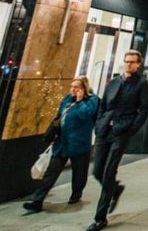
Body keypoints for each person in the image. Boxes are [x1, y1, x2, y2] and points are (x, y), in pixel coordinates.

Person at [87, 50, 148, 231]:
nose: (129, 64)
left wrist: (131, 128)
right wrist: (99, 124)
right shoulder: (114, 82)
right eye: (126, 61)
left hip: (121, 131)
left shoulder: (141, 84)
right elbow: (103, 105)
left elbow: (145, 109)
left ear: (139, 64)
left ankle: (100, 218)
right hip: (105, 130)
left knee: (108, 172)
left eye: (132, 62)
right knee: (97, 171)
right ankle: (115, 190)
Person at [23, 76, 99, 212]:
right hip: (62, 142)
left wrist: (80, 100)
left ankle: (76, 194)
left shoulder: (92, 101)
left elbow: (85, 116)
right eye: (72, 86)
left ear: (83, 88)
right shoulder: (67, 99)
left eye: (76, 87)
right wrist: (54, 133)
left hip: (79, 143)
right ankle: (37, 200)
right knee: (51, 172)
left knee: (79, 172)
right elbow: (58, 116)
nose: (73, 89)